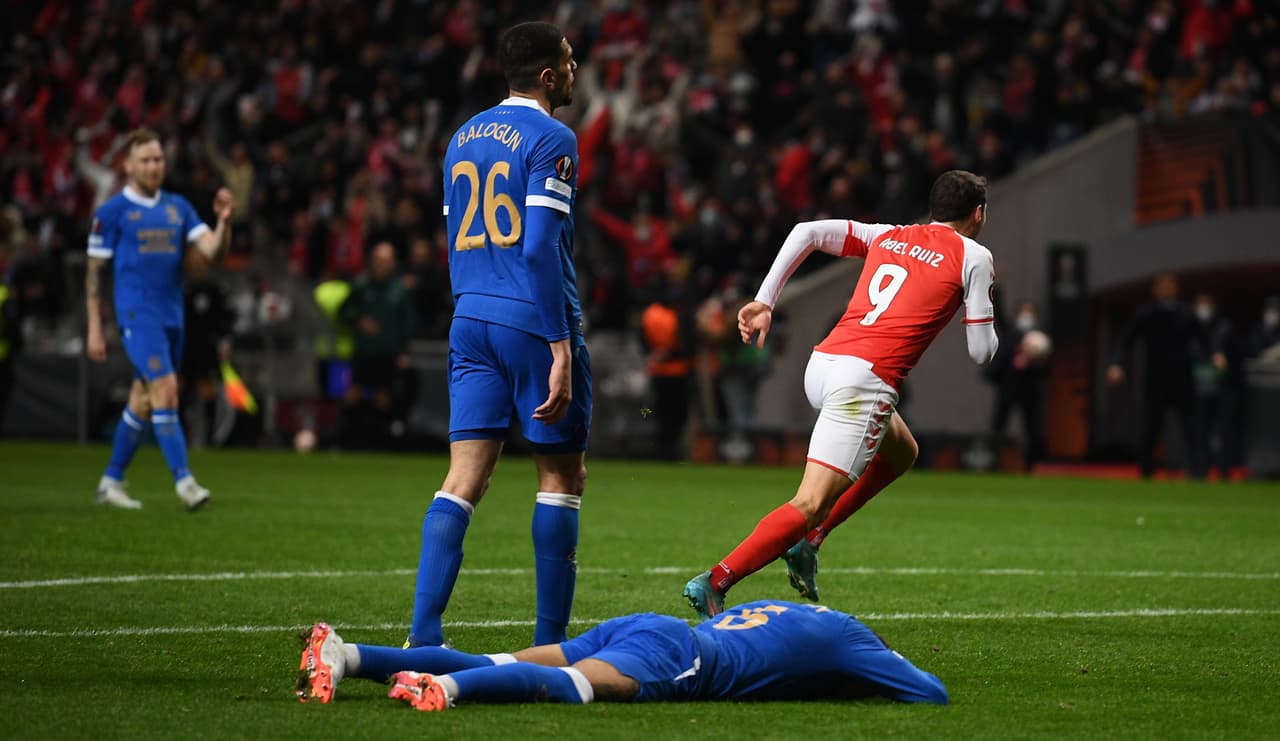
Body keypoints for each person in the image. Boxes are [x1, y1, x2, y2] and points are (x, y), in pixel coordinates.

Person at [684, 170, 998, 618]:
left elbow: (806, 232)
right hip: (863, 383)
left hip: (824, 364)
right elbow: (982, 352)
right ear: (978, 213)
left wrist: (765, 301)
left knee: (901, 451)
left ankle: (810, 542)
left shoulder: (889, 234)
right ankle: (716, 581)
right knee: (809, 502)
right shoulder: (975, 256)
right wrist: (986, 306)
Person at [408, 22, 590, 649]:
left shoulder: (461, 136)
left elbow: (454, 237)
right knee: (561, 477)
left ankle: (423, 637)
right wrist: (560, 344)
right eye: (569, 60)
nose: (575, 69)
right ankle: (549, 646)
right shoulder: (553, 137)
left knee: (464, 479)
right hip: (531, 321)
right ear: (547, 76)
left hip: (470, 318)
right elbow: (537, 248)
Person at [296, 599, 947, 708]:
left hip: (648, 624)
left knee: (501, 661)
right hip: (682, 654)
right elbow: (930, 691)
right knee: (577, 687)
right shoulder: (851, 639)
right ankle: (442, 689)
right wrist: (868, 672)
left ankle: (347, 656)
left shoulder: (797, 611)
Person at [85, 127, 233, 511]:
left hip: (172, 316)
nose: (154, 166)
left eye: (158, 159)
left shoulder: (178, 207)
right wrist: (95, 327)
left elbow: (213, 252)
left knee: (142, 401)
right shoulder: (112, 212)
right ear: (128, 165)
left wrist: (223, 223)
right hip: (137, 314)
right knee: (167, 390)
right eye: (146, 160)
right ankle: (185, 482)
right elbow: (94, 272)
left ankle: (110, 482)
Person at [1105, 273, 1204, 479]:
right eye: (1162, 285)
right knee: (1151, 425)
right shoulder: (1147, 313)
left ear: (1176, 288)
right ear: (1155, 289)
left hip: (1182, 379)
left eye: (1170, 285)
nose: (1166, 289)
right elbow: (1126, 339)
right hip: (1155, 379)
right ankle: (1146, 469)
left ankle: (1197, 470)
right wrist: (1116, 363)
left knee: (1191, 425)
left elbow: (1204, 339)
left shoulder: (1186, 313)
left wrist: (1215, 355)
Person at [336, 241, 415, 449]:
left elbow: (408, 323)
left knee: (384, 396)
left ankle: (380, 442)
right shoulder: (361, 286)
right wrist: (358, 321)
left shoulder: (399, 290)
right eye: (381, 260)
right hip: (364, 351)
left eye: (388, 261)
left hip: (388, 353)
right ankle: (344, 438)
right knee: (353, 393)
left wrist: (403, 350)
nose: (384, 265)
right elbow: (342, 312)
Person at [985, 297, 1048, 472]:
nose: (1026, 316)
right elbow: (999, 316)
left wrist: (1032, 362)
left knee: (1033, 428)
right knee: (998, 426)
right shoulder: (1010, 333)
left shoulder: (1040, 338)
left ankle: (1031, 465)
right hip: (1008, 388)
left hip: (1030, 391)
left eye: (1030, 312)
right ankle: (993, 461)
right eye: (1023, 311)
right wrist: (996, 291)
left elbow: (1046, 370)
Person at [180, 251, 234, 448]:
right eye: (193, 261)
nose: (197, 266)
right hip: (184, 346)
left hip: (206, 347)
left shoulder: (215, 289)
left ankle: (210, 440)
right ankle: (179, 438)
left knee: (207, 390)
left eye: (201, 261)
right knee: (178, 392)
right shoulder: (180, 287)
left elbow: (226, 319)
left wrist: (225, 340)